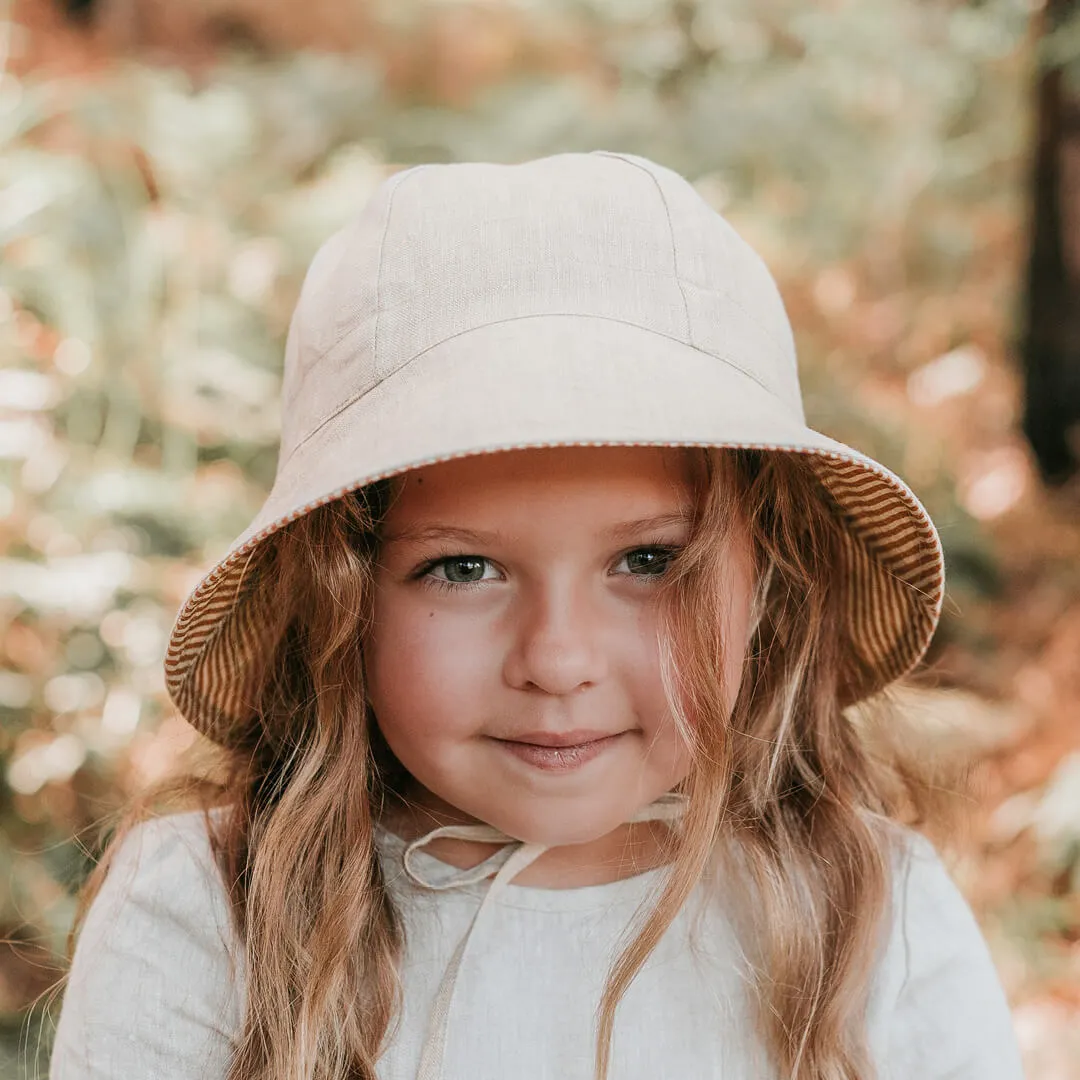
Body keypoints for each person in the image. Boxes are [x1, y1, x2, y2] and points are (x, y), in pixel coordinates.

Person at [48, 151, 1026, 1080]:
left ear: (769, 587)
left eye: (649, 561)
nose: (558, 661)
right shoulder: (209, 913)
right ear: (338, 599)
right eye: (462, 568)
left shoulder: (874, 918)